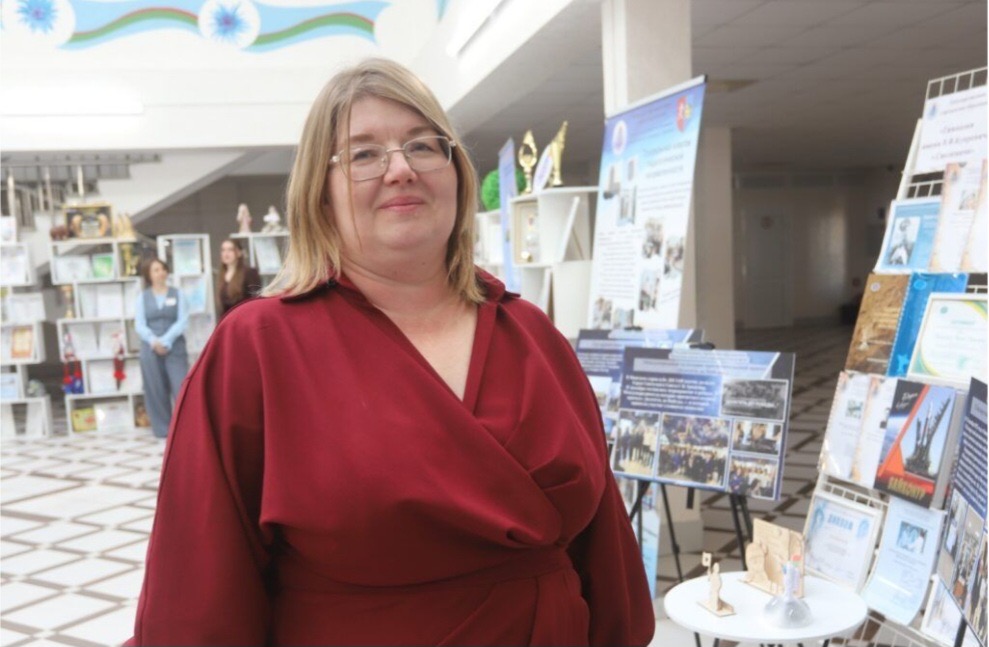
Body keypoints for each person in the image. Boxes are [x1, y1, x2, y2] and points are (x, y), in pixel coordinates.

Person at [129, 58, 654, 646]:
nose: (401, 169)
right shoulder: (258, 347)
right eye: (363, 154)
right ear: (320, 194)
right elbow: (198, 590)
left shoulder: (532, 335)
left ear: (456, 173)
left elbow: (606, 553)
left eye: (423, 146)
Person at [133, 258, 189, 439]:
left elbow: (183, 321)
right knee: (155, 389)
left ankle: (185, 428)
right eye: (156, 270)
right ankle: (163, 429)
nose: (160, 273)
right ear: (149, 275)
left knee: (181, 387)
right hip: (150, 349)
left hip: (175, 347)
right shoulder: (142, 297)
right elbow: (139, 324)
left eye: (163, 269)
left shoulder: (178, 294)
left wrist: (165, 341)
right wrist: (153, 341)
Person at [216, 238, 262, 317]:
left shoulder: (249, 273)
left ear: (239, 253)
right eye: (223, 250)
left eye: (230, 250)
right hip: (228, 319)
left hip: (244, 317)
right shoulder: (222, 275)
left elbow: (256, 299)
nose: (226, 254)